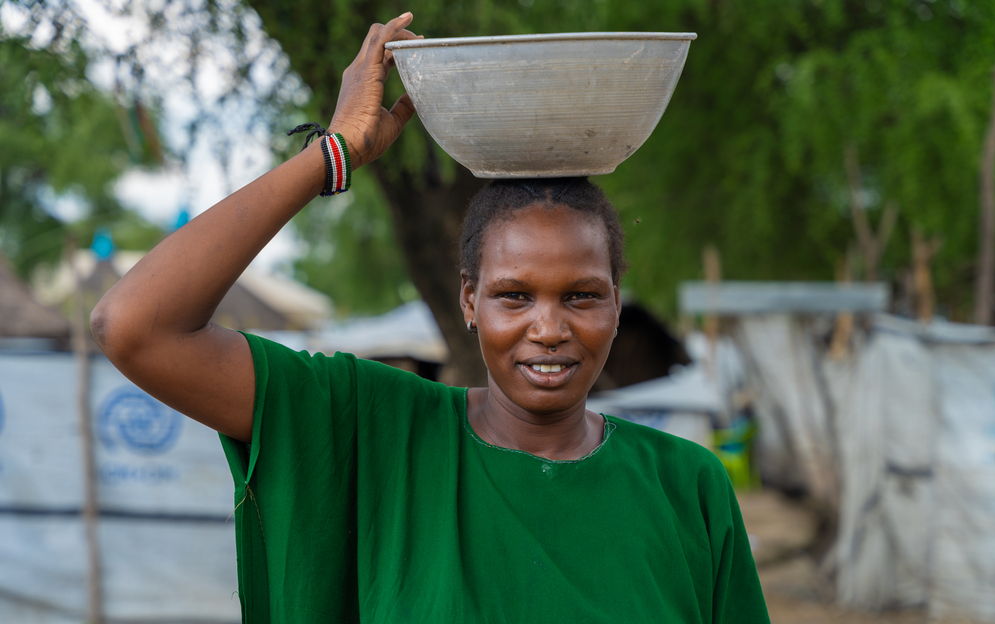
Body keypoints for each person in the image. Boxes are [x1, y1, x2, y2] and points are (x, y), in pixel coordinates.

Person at [91, 12, 770, 624]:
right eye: (514, 295)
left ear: (618, 302)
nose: (549, 327)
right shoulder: (374, 431)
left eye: (581, 295)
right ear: (469, 301)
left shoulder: (686, 484)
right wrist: (334, 153)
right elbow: (134, 326)